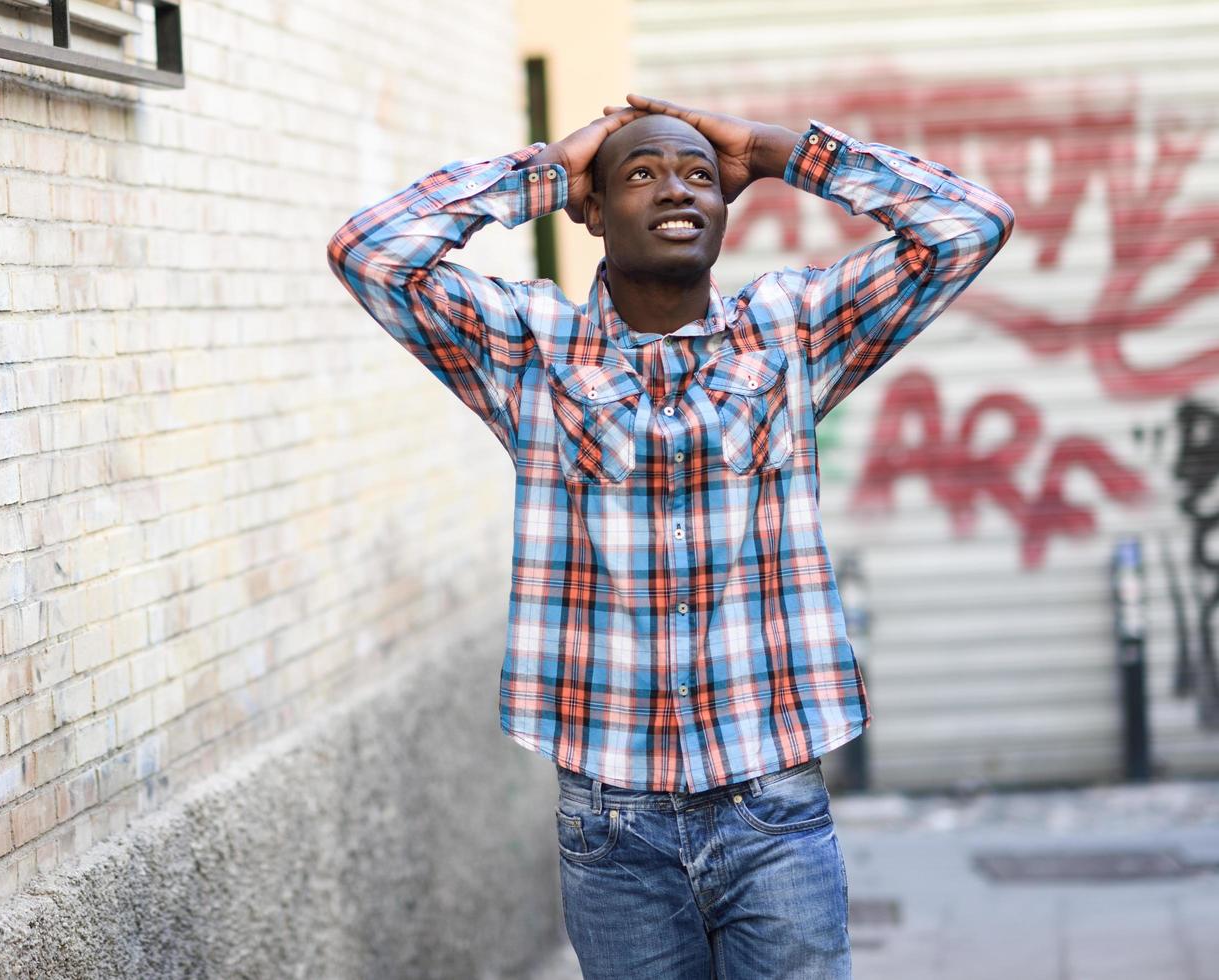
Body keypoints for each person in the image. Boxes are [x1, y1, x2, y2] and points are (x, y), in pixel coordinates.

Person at [327, 92, 1015, 979]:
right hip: (611, 828)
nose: (675, 190)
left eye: (698, 174)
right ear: (594, 210)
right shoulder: (530, 350)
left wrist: (775, 152)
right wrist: (543, 173)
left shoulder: (794, 331)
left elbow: (969, 226)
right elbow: (368, 252)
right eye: (640, 174)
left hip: (773, 807)